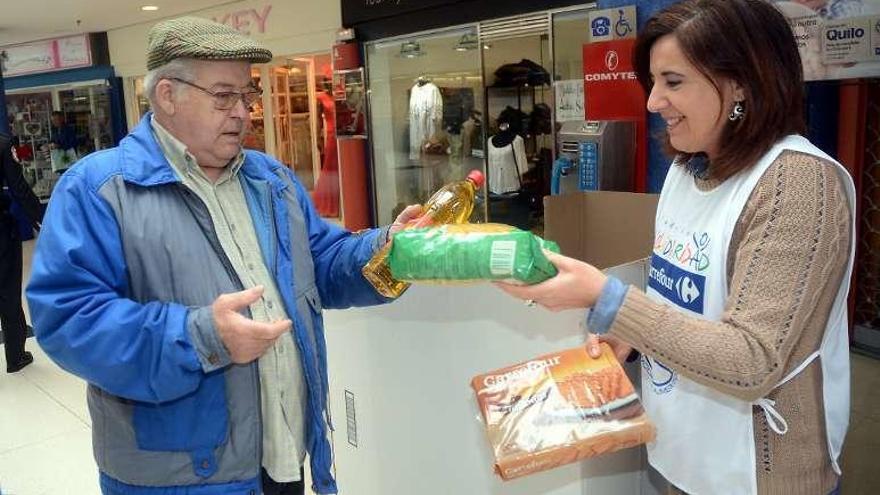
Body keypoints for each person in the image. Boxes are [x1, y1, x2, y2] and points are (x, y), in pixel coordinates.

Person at [26, 17, 420, 495]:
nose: (244, 113)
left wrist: (387, 252)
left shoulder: (269, 180)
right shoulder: (99, 190)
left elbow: (319, 263)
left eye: (247, 96)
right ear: (167, 95)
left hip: (284, 455)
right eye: (223, 96)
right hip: (179, 478)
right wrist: (201, 337)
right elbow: (68, 322)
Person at [496, 1, 854, 494]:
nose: (653, 102)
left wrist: (608, 299)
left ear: (743, 84)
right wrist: (633, 335)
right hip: (683, 457)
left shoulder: (797, 185)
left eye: (674, 81)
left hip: (759, 475)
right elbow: (688, 288)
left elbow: (753, 359)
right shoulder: (688, 169)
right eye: (653, 82)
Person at [0, 132, 42, 373]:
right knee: (7, 291)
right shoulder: (3, 144)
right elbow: (19, 188)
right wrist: (40, 218)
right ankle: (15, 356)